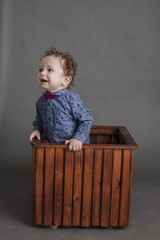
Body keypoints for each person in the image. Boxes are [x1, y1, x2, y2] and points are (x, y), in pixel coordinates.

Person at [29, 47, 93, 151]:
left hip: (74, 148)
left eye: (50, 70)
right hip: (52, 148)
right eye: (41, 69)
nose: (42, 73)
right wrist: (37, 130)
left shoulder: (71, 100)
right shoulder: (41, 101)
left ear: (66, 80)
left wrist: (78, 139)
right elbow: (39, 120)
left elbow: (87, 120)